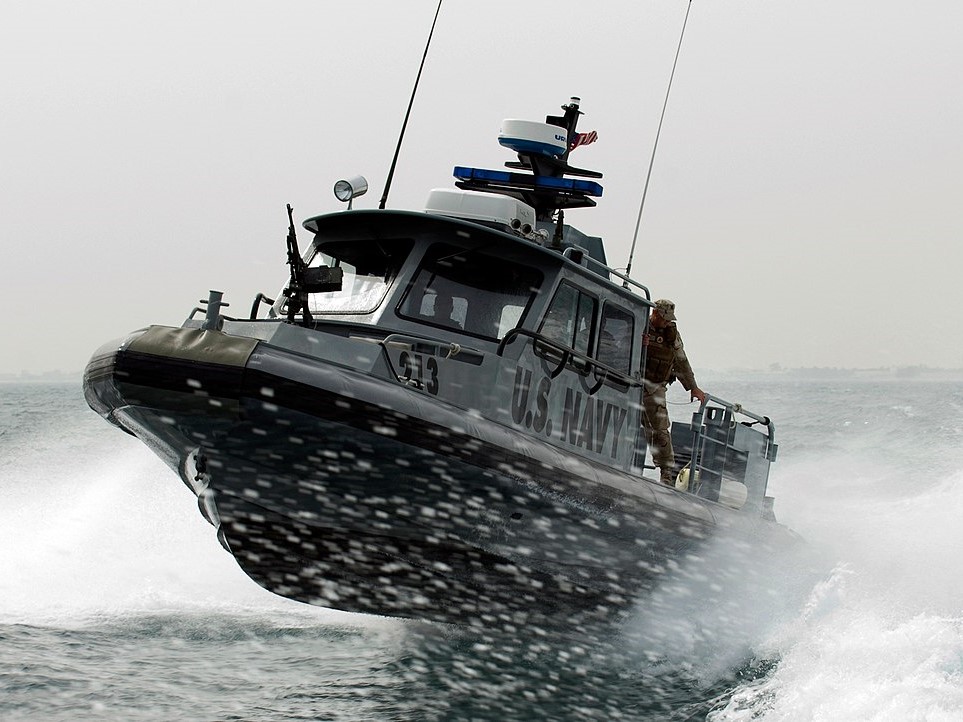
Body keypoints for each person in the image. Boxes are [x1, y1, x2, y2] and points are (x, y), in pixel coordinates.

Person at [642, 299, 706, 485]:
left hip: (655, 385)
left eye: (669, 319)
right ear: (655, 313)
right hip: (633, 380)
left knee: (660, 429)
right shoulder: (639, 324)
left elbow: (681, 361)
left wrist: (692, 386)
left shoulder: (671, 335)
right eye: (664, 319)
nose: (667, 323)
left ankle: (666, 474)